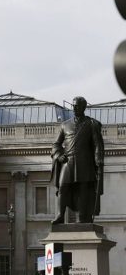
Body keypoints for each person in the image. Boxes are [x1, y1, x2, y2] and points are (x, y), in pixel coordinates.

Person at [51, 96, 104, 224]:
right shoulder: (65, 125)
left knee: (83, 190)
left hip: (85, 162)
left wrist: (98, 159)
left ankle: (82, 217)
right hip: (68, 162)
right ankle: (60, 215)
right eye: (73, 106)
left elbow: (97, 144)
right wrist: (58, 155)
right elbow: (56, 144)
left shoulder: (92, 124)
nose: (74, 108)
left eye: (77, 106)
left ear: (84, 107)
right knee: (63, 187)